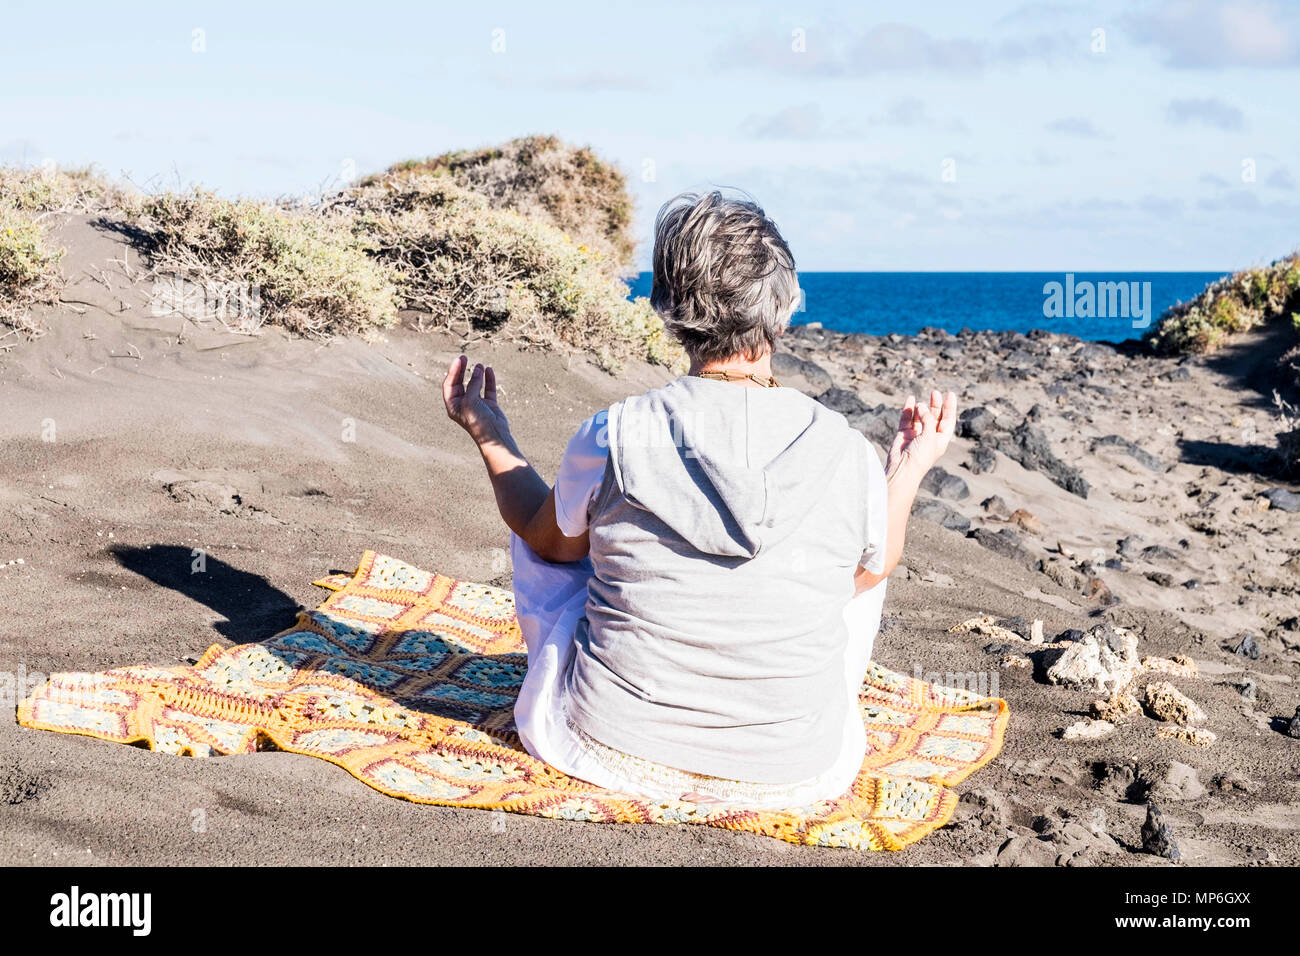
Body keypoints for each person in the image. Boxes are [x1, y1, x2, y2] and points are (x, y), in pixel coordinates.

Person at [443, 190, 956, 808]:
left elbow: (544, 538)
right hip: (795, 773)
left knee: (553, 532)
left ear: (668, 310)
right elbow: (871, 570)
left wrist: (490, 433)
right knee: (859, 571)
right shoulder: (846, 452)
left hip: (605, 748)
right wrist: (906, 469)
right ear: (784, 310)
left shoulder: (617, 432)